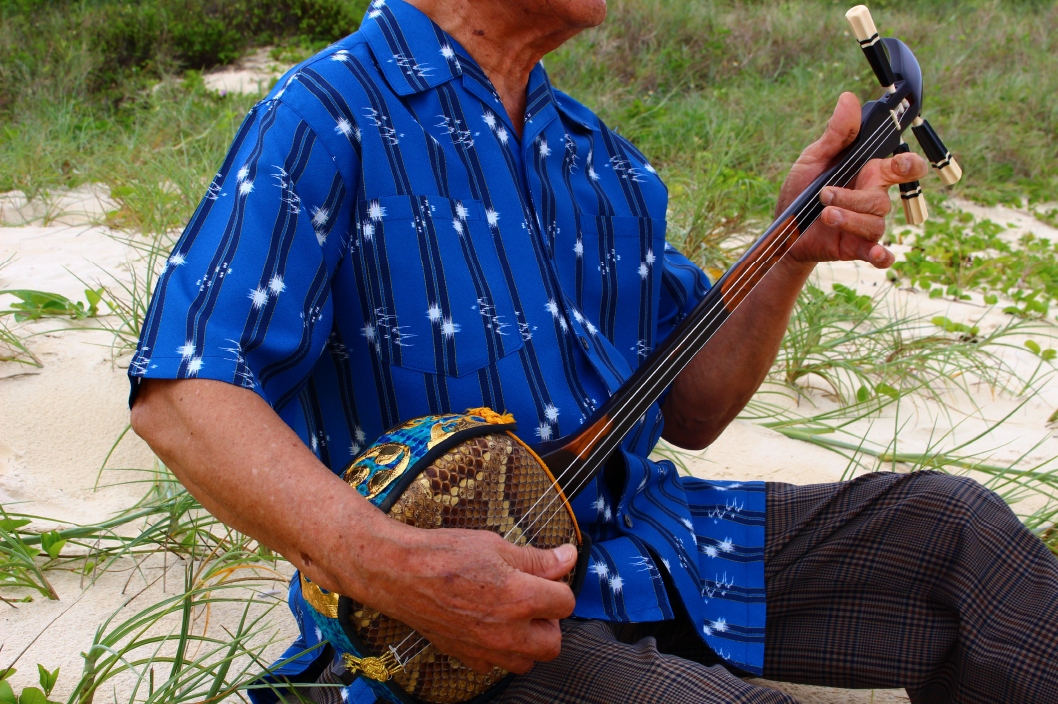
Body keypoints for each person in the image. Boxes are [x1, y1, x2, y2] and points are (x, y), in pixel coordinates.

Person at [128, 1, 1058, 702]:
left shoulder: (600, 161)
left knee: (957, 533)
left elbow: (692, 408)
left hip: (655, 547)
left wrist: (789, 253)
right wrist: (393, 566)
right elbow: (183, 392)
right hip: (460, 634)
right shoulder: (326, 114)